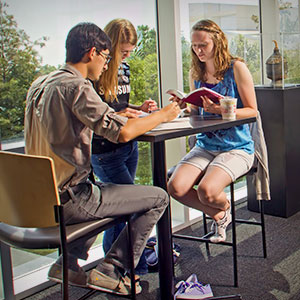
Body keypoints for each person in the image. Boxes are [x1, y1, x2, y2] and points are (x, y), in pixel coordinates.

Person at [24, 22, 180, 296]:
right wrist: (164, 115)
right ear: (92, 53)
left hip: (37, 202)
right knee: (159, 198)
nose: (107, 65)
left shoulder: (40, 84)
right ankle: (112, 269)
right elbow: (123, 133)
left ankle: (68, 262)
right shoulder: (77, 86)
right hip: (70, 201)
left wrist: (124, 113)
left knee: (102, 190)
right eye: (106, 58)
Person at [168, 19, 257, 243]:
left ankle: (224, 206)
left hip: (236, 147)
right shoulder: (196, 73)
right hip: (205, 146)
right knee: (175, 187)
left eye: (203, 45)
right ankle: (219, 212)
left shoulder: (236, 68)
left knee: (206, 191)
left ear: (217, 42)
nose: (198, 50)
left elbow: (253, 111)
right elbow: (196, 114)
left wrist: (221, 110)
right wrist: (184, 106)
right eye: (194, 46)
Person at [91, 19, 157, 276]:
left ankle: (119, 270)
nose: (127, 56)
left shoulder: (125, 69)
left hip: (128, 146)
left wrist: (139, 110)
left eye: (130, 52)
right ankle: (129, 270)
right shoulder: (95, 73)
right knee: (132, 208)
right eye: (123, 51)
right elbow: (98, 117)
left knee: (121, 214)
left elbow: (118, 106)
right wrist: (123, 114)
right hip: (105, 152)